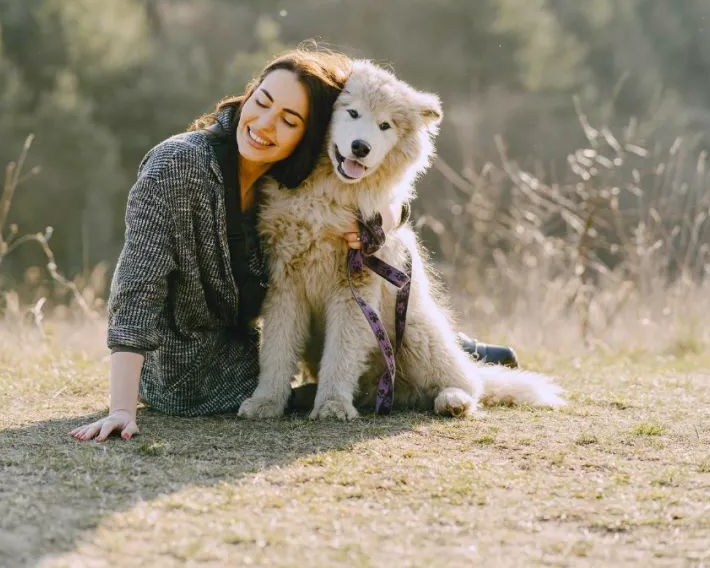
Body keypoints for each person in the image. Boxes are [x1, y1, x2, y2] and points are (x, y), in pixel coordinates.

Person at [71, 48, 516, 443]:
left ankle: (455, 358)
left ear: (308, 131)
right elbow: (136, 286)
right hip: (200, 363)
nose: (266, 124)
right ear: (248, 94)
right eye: (261, 102)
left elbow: (383, 195)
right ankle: (463, 354)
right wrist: (122, 409)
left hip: (257, 341)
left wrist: (385, 221)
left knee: (389, 311)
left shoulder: (290, 171)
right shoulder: (181, 165)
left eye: (289, 120)